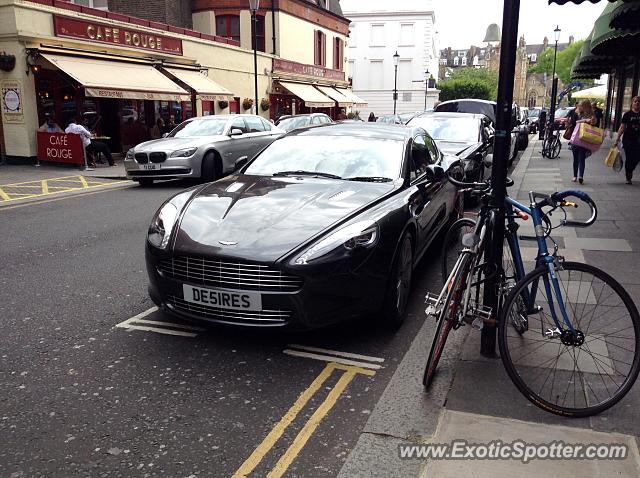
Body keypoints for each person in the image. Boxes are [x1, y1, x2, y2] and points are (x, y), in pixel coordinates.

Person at [569, 100, 596, 184]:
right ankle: (575, 176)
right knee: (575, 159)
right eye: (579, 105)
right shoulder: (576, 114)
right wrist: (585, 120)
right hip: (576, 138)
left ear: (585, 106)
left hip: (585, 139)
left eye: (581, 105)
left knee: (581, 158)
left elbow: (595, 123)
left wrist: (592, 121)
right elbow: (575, 122)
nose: (579, 107)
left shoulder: (591, 115)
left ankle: (581, 176)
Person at [614, 96, 640, 185]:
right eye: (635, 101)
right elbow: (622, 127)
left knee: (637, 158)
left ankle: (631, 169)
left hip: (638, 140)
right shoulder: (627, 114)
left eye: (638, 101)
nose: (637, 103)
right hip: (628, 139)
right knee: (629, 158)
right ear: (632, 103)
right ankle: (628, 176)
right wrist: (617, 138)